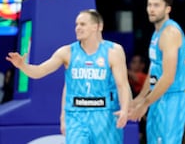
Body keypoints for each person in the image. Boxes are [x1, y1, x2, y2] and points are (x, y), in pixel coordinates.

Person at [6, 9, 131, 144]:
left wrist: (125, 109)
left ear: (96, 27)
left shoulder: (113, 51)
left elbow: (122, 84)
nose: (77, 28)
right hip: (76, 116)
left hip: (105, 115)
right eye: (76, 24)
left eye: (82, 24)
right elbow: (39, 71)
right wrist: (22, 66)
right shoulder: (66, 52)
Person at [128, 0, 185, 144]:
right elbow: (154, 69)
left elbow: (168, 77)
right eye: (149, 5)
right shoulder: (156, 33)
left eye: (156, 5)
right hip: (158, 96)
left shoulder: (170, 32)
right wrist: (141, 97)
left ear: (167, 9)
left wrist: (145, 104)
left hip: (172, 97)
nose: (151, 9)